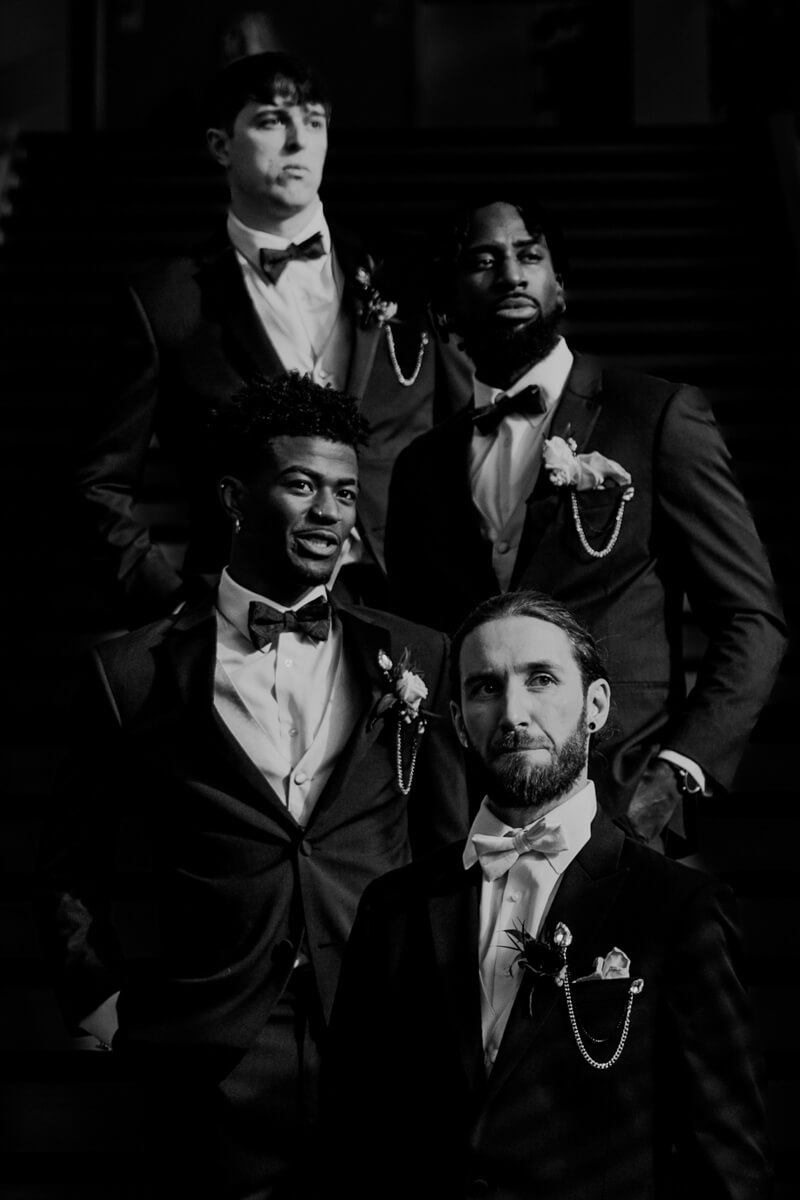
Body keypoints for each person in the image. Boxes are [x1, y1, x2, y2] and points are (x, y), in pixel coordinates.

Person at [40, 373, 468, 1199]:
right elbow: (65, 868)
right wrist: (99, 999)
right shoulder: (129, 672)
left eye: (344, 492)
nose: (330, 513)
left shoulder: (418, 655)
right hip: (213, 1045)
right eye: (302, 485)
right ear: (235, 497)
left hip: (381, 1033)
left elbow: (449, 849)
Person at [325, 589, 772, 1200]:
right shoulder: (392, 907)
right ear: (457, 721)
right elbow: (351, 1140)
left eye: (540, 680)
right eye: (485, 688)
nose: (513, 712)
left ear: (595, 705)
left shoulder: (680, 910)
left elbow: (725, 1168)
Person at [385, 195, 786, 845]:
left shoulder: (654, 416)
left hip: (623, 807)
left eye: (530, 256)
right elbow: (417, 644)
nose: (512, 274)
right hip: (466, 819)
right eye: (483, 260)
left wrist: (673, 775)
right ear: (444, 303)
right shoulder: (419, 466)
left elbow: (752, 620)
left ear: (560, 284)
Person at [75, 50, 469, 626]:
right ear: (219, 145)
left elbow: (464, 436)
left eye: (313, 121)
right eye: (271, 120)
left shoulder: (403, 276)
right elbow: (97, 479)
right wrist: (170, 601)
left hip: (404, 603)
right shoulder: (164, 299)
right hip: (238, 611)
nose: (297, 141)